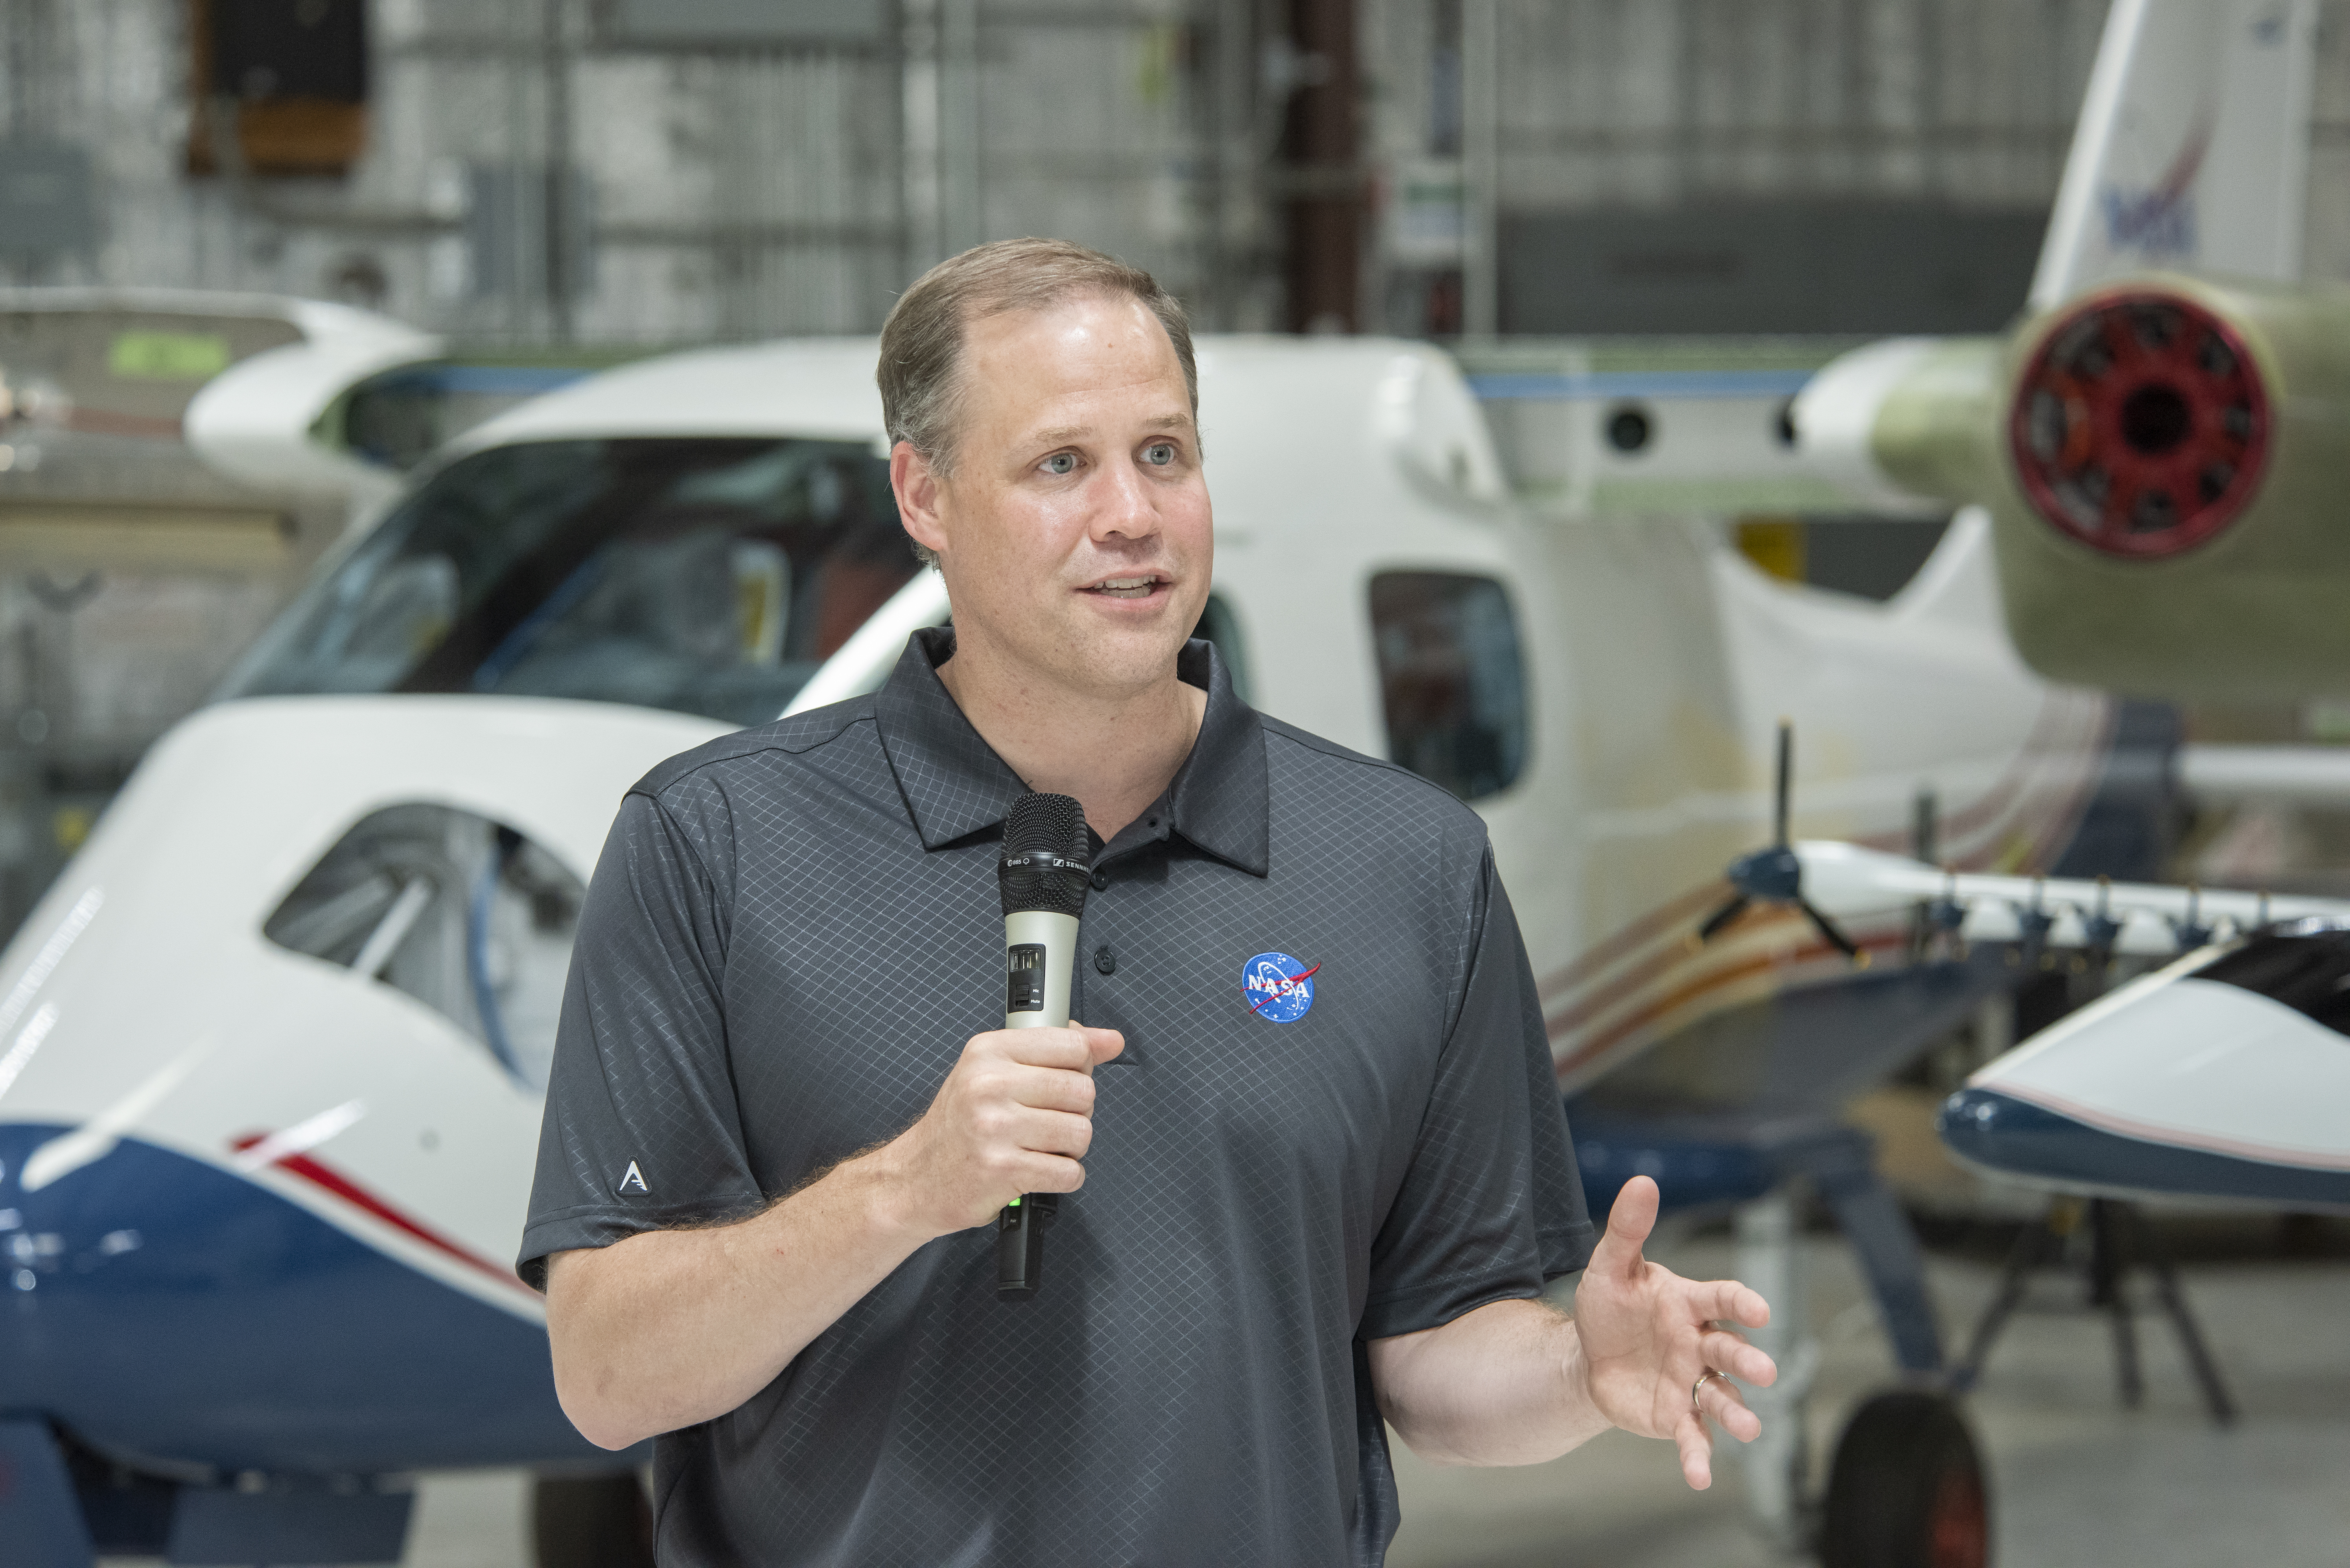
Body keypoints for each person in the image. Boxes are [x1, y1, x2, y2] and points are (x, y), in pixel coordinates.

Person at [522, 237, 1777, 1566]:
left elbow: (1432, 1358)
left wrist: (1578, 1370)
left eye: (1164, 454)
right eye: (1062, 464)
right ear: (924, 495)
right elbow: (609, 1374)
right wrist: (900, 1190)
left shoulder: (1407, 864)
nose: (1132, 513)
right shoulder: (714, 847)